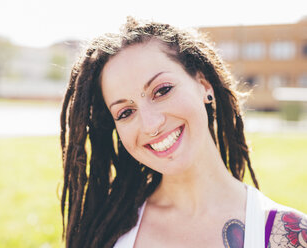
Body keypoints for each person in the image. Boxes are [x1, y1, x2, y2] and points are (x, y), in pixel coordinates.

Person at [59, 17, 307, 248]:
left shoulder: (290, 235)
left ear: (204, 86)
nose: (150, 124)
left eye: (162, 90)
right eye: (125, 112)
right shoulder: (105, 230)